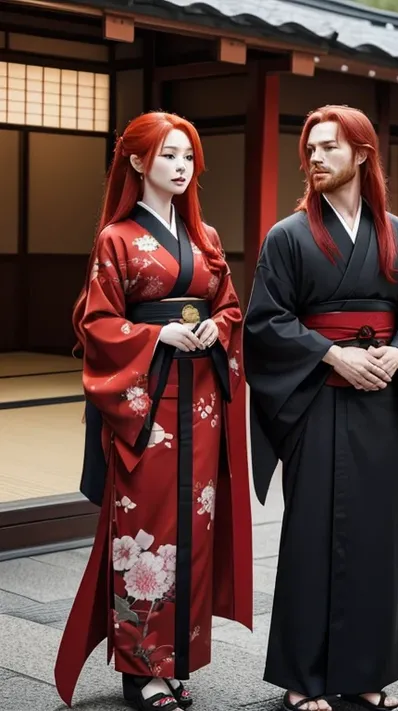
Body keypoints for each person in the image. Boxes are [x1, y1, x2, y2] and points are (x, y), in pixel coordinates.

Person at [243, 105, 398, 711]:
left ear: (361, 154)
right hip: (317, 402)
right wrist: (333, 356)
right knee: (309, 538)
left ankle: (366, 672)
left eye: (329, 147)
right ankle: (301, 680)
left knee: (376, 540)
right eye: (310, 148)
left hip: (380, 405)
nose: (315, 158)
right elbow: (266, 321)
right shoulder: (288, 236)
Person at [55, 111, 253, 710]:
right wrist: (157, 337)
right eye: (169, 156)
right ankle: (143, 669)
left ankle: (179, 658)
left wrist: (216, 330)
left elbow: (229, 307)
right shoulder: (116, 239)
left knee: (194, 531)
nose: (181, 168)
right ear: (138, 162)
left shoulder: (206, 238)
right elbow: (97, 324)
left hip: (199, 400)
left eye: (188, 158)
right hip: (147, 408)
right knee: (147, 536)